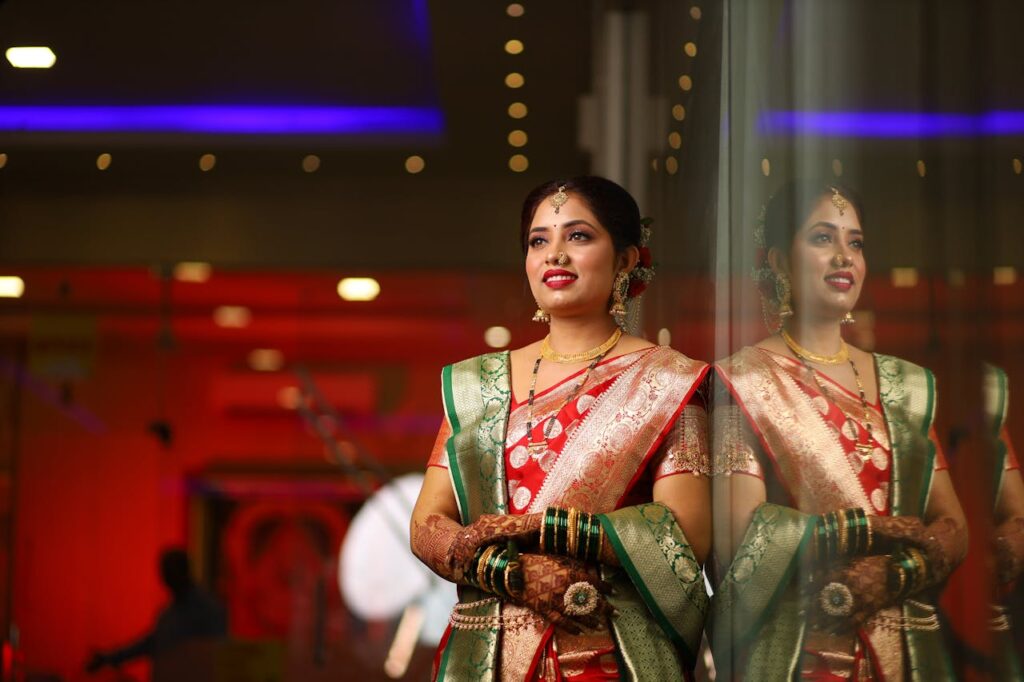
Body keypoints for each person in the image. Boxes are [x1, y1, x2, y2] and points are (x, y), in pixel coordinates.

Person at [410, 176, 711, 681]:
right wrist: (512, 574)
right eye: (538, 240)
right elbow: (427, 525)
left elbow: (685, 536)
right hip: (482, 657)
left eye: (578, 236)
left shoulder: (670, 381)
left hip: (605, 655)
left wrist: (539, 527)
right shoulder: (477, 382)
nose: (555, 255)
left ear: (626, 260)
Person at [710, 181, 968, 680]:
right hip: (802, 651)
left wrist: (894, 574)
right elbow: (744, 537)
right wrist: (865, 531)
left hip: (913, 651)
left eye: (856, 242)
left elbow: (952, 526)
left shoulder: (905, 385)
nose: (844, 257)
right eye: (823, 238)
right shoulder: (739, 380)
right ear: (781, 262)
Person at [86, 548, 227, 673]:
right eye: (165, 572)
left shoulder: (208, 609)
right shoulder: (168, 615)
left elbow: (218, 655)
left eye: (170, 571)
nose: (166, 577)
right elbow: (148, 644)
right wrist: (109, 658)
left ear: (184, 571)